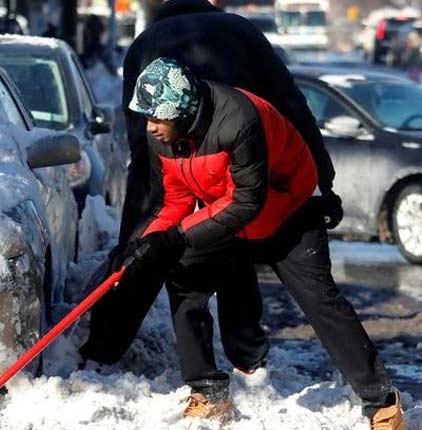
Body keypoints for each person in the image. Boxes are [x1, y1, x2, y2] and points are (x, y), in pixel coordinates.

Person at [114, 57, 404, 429]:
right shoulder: (164, 138)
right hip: (226, 213)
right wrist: (146, 244)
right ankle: (207, 391)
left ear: (182, 111)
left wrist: (176, 237)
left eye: (157, 118)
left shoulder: (238, 119)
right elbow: (174, 202)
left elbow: (247, 201)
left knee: (320, 300)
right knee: (183, 276)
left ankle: (381, 401)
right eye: (147, 118)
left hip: (287, 209)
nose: (150, 127)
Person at [80, 0, 339, 385]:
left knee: (145, 248)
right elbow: (292, 103)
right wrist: (324, 178)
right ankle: (247, 356)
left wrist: (136, 226)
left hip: (169, 152)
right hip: (240, 147)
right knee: (235, 237)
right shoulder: (242, 30)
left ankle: (103, 349)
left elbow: (140, 134)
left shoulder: (144, 44)